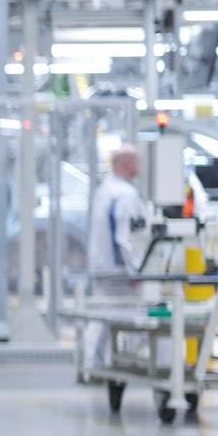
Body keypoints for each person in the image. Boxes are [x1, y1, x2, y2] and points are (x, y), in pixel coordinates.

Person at [84, 144, 149, 371]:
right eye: (137, 161)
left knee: (103, 315)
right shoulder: (125, 195)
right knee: (135, 316)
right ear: (127, 164)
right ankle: (123, 363)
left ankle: (93, 364)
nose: (140, 166)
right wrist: (135, 270)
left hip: (103, 265)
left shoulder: (105, 190)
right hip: (118, 270)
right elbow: (124, 238)